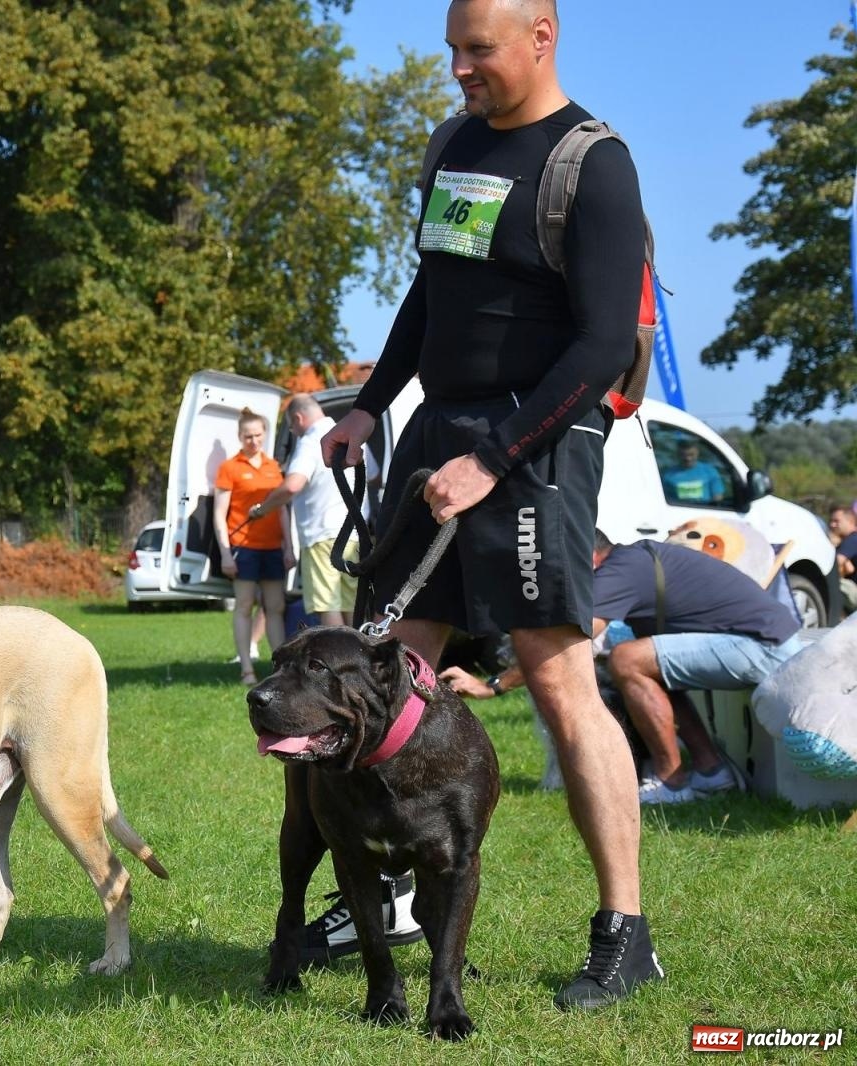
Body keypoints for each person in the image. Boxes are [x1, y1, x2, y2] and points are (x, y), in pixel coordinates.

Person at [319, 0, 661, 1010]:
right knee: (389, 666)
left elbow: (604, 344)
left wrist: (496, 456)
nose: (460, 69)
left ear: (540, 37)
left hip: (539, 439)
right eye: (452, 51)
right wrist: (370, 404)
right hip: (438, 429)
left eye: (478, 50)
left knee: (558, 681)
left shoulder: (594, 164)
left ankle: (625, 932)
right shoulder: (453, 145)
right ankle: (384, 899)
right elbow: (430, 290)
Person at [587, 529, 800, 804]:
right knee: (647, 667)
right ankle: (711, 771)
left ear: (591, 557)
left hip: (765, 645)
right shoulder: (634, 560)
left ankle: (671, 783)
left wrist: (526, 671)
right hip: (769, 640)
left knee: (626, 659)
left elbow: (578, 635)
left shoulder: (619, 570)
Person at [249, 394, 367, 627]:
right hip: (353, 535)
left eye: (291, 427)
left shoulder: (311, 441)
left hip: (320, 535)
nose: (293, 431)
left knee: (327, 604)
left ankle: (336, 652)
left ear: (298, 418)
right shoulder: (352, 434)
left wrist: (262, 509)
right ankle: (361, 651)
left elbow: (293, 485)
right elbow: (374, 476)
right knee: (352, 604)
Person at [213, 408, 293, 685]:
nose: (254, 441)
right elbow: (219, 514)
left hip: (272, 547)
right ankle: (246, 669)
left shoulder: (273, 467)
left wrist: (288, 547)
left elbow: (282, 510)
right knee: (245, 605)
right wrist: (225, 553)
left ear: (265, 434)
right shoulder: (229, 468)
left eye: (258, 435)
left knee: (275, 606)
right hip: (243, 547)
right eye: (248, 436)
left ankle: (281, 668)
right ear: (240, 436)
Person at [660, 440, 728, 505]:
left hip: (704, 511)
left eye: (691, 454)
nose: (688, 458)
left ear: (697, 452)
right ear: (678, 454)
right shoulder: (668, 475)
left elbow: (717, 497)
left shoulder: (709, 471)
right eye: (683, 455)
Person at [830, 505, 856, 613]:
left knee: (828, 581)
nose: (832, 524)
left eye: (837, 521)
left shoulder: (853, 539)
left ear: (850, 522)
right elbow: (849, 569)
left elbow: (834, 564)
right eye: (831, 521)